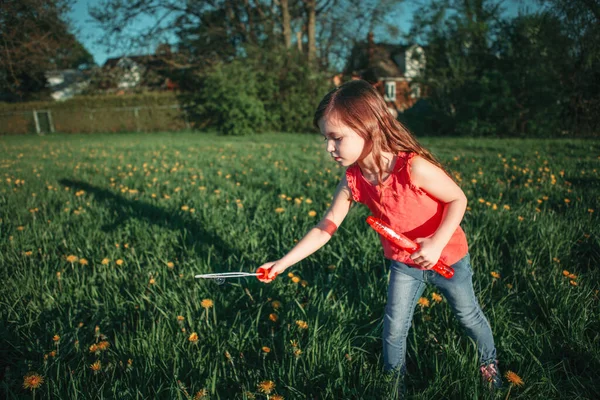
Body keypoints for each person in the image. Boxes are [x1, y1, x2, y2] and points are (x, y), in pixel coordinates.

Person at [256, 79, 502, 396]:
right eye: (325, 138)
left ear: (368, 128)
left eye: (336, 138)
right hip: (404, 264)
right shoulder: (354, 179)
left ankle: (489, 366)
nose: (329, 148)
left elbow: (458, 199)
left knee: (468, 318)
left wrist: (437, 242)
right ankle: (393, 387)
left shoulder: (413, 167)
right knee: (394, 330)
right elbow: (325, 226)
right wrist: (283, 262)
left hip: (449, 258)